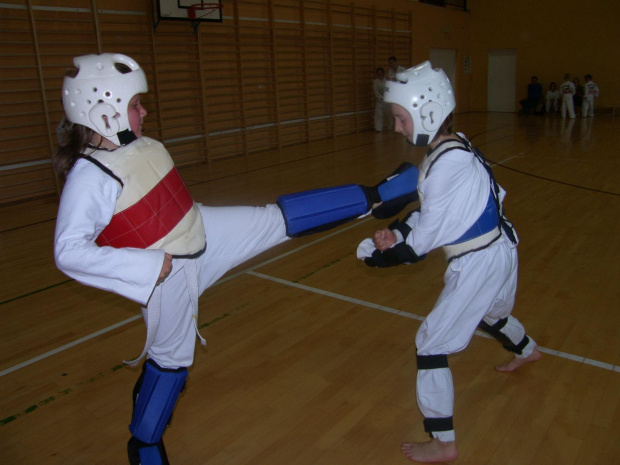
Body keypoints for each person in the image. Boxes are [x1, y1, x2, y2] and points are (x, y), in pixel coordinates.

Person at [52, 53, 420, 464]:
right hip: (166, 274)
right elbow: (69, 252)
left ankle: (379, 195)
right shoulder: (89, 178)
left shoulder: (135, 145)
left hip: (200, 229)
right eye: (136, 105)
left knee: (277, 220)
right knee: (172, 362)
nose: (144, 111)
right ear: (104, 113)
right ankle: (145, 443)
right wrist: (146, 266)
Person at [356, 61, 541, 463]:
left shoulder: (442, 166)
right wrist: (399, 231)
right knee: (491, 313)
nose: (397, 128)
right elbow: (434, 214)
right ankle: (527, 349)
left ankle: (443, 442)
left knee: (431, 344)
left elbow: (419, 247)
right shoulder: (455, 146)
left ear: (427, 112)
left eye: (401, 119)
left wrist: (380, 253)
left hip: (478, 263)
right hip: (501, 251)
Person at [373, 67, 391, 131]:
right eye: (378, 73)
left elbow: (389, 90)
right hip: (379, 101)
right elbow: (375, 91)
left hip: (387, 100)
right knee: (378, 115)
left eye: (381, 73)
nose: (380, 74)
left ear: (383, 73)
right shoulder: (375, 82)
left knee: (389, 114)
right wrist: (380, 97)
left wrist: (386, 97)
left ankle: (390, 126)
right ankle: (378, 128)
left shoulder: (387, 80)